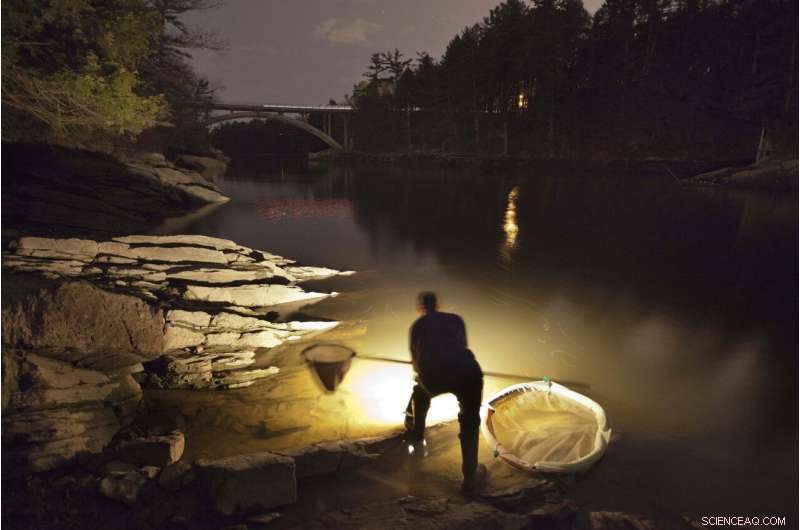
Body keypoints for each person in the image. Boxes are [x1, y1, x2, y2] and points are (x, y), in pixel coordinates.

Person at [404, 291, 486, 494]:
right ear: (438, 305)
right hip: (469, 373)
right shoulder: (456, 319)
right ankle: (470, 478)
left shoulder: (416, 326)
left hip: (434, 376)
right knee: (470, 423)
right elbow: (462, 346)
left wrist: (421, 373)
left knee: (420, 392)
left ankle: (417, 433)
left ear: (420, 308)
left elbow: (416, 364)